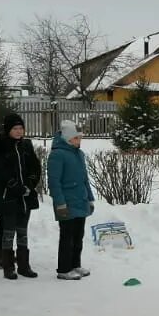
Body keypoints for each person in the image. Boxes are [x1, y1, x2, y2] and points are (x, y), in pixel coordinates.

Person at [0, 113, 42, 280]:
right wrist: (12, 185)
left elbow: (35, 167)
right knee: (8, 231)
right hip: (9, 195)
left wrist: (30, 184)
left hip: (26, 195)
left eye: (21, 128)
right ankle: (8, 265)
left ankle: (24, 265)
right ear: (8, 130)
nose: (19, 132)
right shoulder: (0, 146)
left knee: (23, 230)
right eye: (15, 128)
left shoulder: (26, 145)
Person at [47, 120, 94, 281]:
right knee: (67, 237)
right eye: (76, 138)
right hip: (66, 203)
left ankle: (75, 264)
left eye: (80, 138)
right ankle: (64, 269)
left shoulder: (79, 154)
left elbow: (84, 179)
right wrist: (60, 203)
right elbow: (54, 182)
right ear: (67, 138)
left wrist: (90, 199)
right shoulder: (57, 154)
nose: (78, 141)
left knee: (78, 236)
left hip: (80, 200)